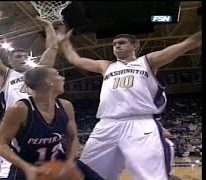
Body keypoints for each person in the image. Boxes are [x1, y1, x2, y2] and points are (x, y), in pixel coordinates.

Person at [57, 29, 202, 180]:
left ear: (134, 46)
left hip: (140, 123)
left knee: (149, 176)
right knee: (88, 172)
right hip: (106, 124)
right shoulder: (105, 66)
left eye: (121, 43)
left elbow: (188, 44)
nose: (116, 46)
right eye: (114, 44)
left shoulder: (147, 61)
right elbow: (76, 60)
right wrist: (64, 43)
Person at [0, 11, 59, 179]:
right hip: (13, 131)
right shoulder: (5, 74)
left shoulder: (38, 73)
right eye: (18, 56)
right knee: (7, 175)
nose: (23, 58)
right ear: (10, 61)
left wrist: (48, 26)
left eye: (25, 56)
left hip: (39, 129)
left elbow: (53, 48)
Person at [0, 67, 104, 180]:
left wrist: (70, 163)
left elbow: (73, 137)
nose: (63, 78)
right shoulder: (20, 109)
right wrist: (27, 167)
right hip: (28, 166)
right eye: (57, 74)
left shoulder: (66, 106)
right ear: (48, 82)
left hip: (59, 161)